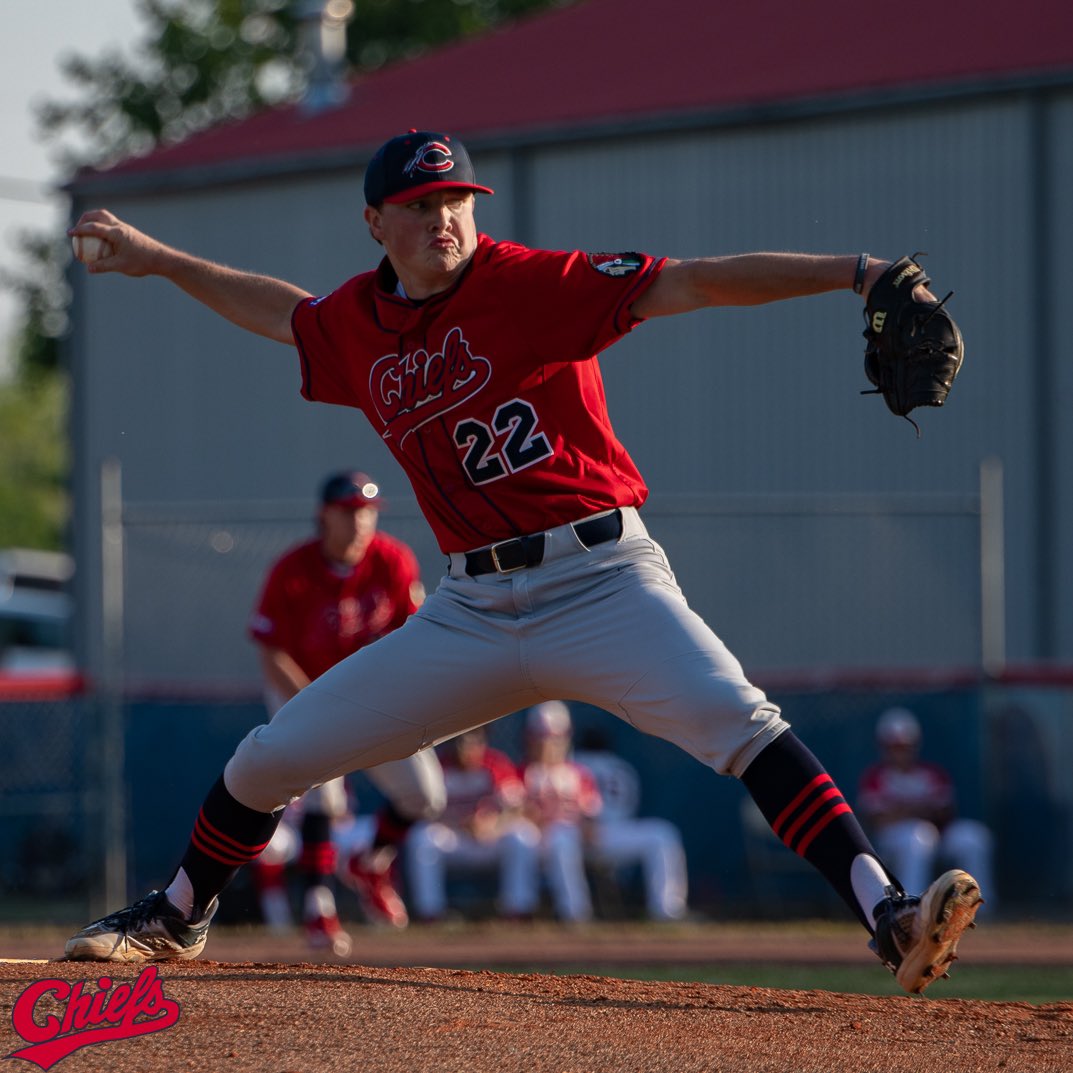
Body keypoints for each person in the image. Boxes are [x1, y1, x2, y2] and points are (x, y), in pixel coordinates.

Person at [64, 129, 982, 993]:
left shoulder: (534, 283)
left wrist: (859, 274)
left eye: (458, 198)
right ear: (376, 223)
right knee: (269, 759)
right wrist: (162, 259)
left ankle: (889, 914)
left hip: (601, 581)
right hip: (470, 608)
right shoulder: (357, 321)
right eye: (421, 205)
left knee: (744, 725)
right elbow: (284, 313)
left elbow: (696, 282)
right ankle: (178, 914)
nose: (445, 219)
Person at [246, 469, 446, 950]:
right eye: (350, 512)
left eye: (368, 512)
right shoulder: (293, 568)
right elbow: (271, 652)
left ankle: (368, 862)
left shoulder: (393, 560)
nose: (361, 522)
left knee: (425, 796)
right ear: (325, 516)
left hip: (370, 692)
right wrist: (317, 707)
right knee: (324, 798)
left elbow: (412, 637)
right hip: (302, 688)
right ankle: (319, 907)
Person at [858, 707, 995, 911]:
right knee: (918, 836)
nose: (900, 752)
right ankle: (912, 908)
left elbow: (945, 812)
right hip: (895, 839)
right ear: (884, 747)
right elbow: (877, 819)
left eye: (905, 746)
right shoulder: (875, 778)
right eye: (895, 747)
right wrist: (918, 810)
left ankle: (981, 909)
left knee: (974, 837)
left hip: (937, 833)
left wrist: (905, 809)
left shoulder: (931, 774)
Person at [405, 726, 541, 922]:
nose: (467, 748)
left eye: (474, 741)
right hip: (455, 840)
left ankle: (518, 909)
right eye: (461, 742)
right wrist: (460, 822)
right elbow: (420, 812)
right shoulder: (439, 767)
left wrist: (494, 823)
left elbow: (518, 808)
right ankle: (430, 912)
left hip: (490, 840)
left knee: (522, 834)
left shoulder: (495, 762)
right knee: (421, 837)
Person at [572, 721, 689, 922]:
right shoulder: (622, 767)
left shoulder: (573, 763)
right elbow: (629, 809)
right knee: (662, 834)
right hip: (616, 836)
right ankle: (667, 909)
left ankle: (573, 913)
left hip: (583, 835)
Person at [521, 703, 602, 922]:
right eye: (543, 737)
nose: (550, 744)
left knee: (661, 834)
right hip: (536, 840)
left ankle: (574, 912)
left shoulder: (579, 773)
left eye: (557, 737)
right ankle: (524, 910)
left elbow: (591, 814)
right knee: (550, 837)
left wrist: (589, 826)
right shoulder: (522, 773)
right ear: (530, 738)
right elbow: (517, 813)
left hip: (575, 837)